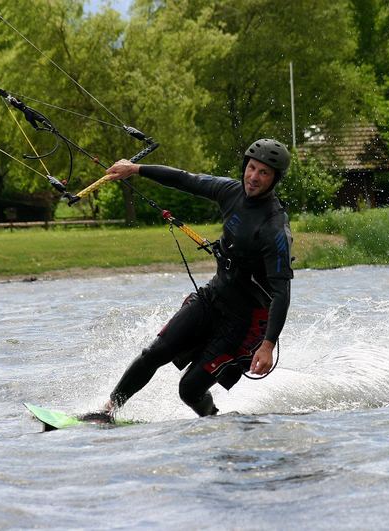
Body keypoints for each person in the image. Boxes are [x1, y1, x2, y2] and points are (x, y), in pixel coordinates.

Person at [90, 138, 293, 420]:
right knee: (155, 352)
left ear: (274, 179)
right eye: (251, 167)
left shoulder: (274, 229)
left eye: (263, 173)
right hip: (214, 297)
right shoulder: (231, 191)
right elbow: (187, 180)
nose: (253, 177)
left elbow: (282, 292)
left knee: (189, 389)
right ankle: (107, 411)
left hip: (244, 322)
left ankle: (212, 420)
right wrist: (135, 169)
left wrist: (268, 345)